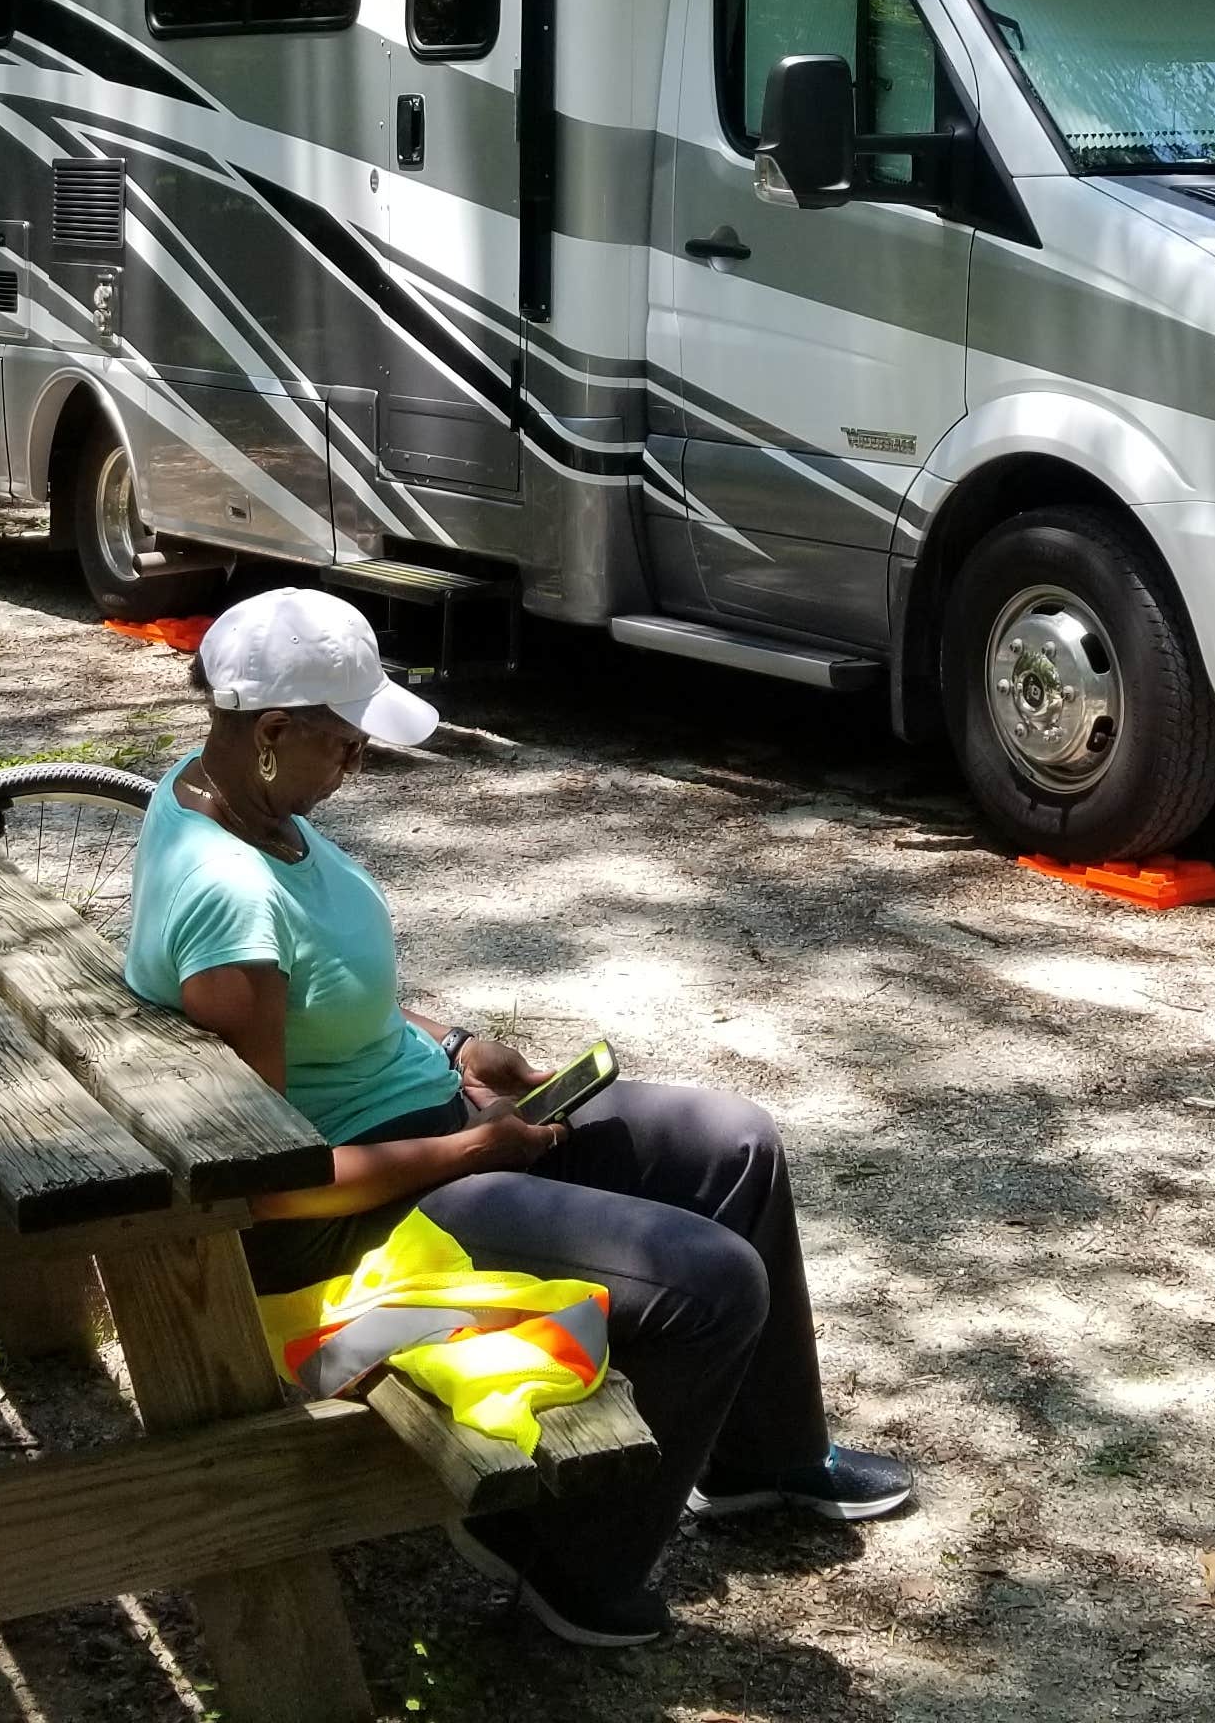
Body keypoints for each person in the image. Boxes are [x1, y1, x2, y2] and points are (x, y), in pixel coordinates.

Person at [119, 586, 911, 1647]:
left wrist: (455, 1045)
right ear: (269, 732)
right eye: (346, 744)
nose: (357, 765)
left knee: (738, 1145)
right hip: (363, 1221)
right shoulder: (232, 899)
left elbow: (329, 1004)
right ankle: (568, 1566)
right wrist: (467, 1147)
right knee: (715, 1280)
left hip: (437, 1127)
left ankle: (768, 1463)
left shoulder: (222, 791)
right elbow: (263, 1182)